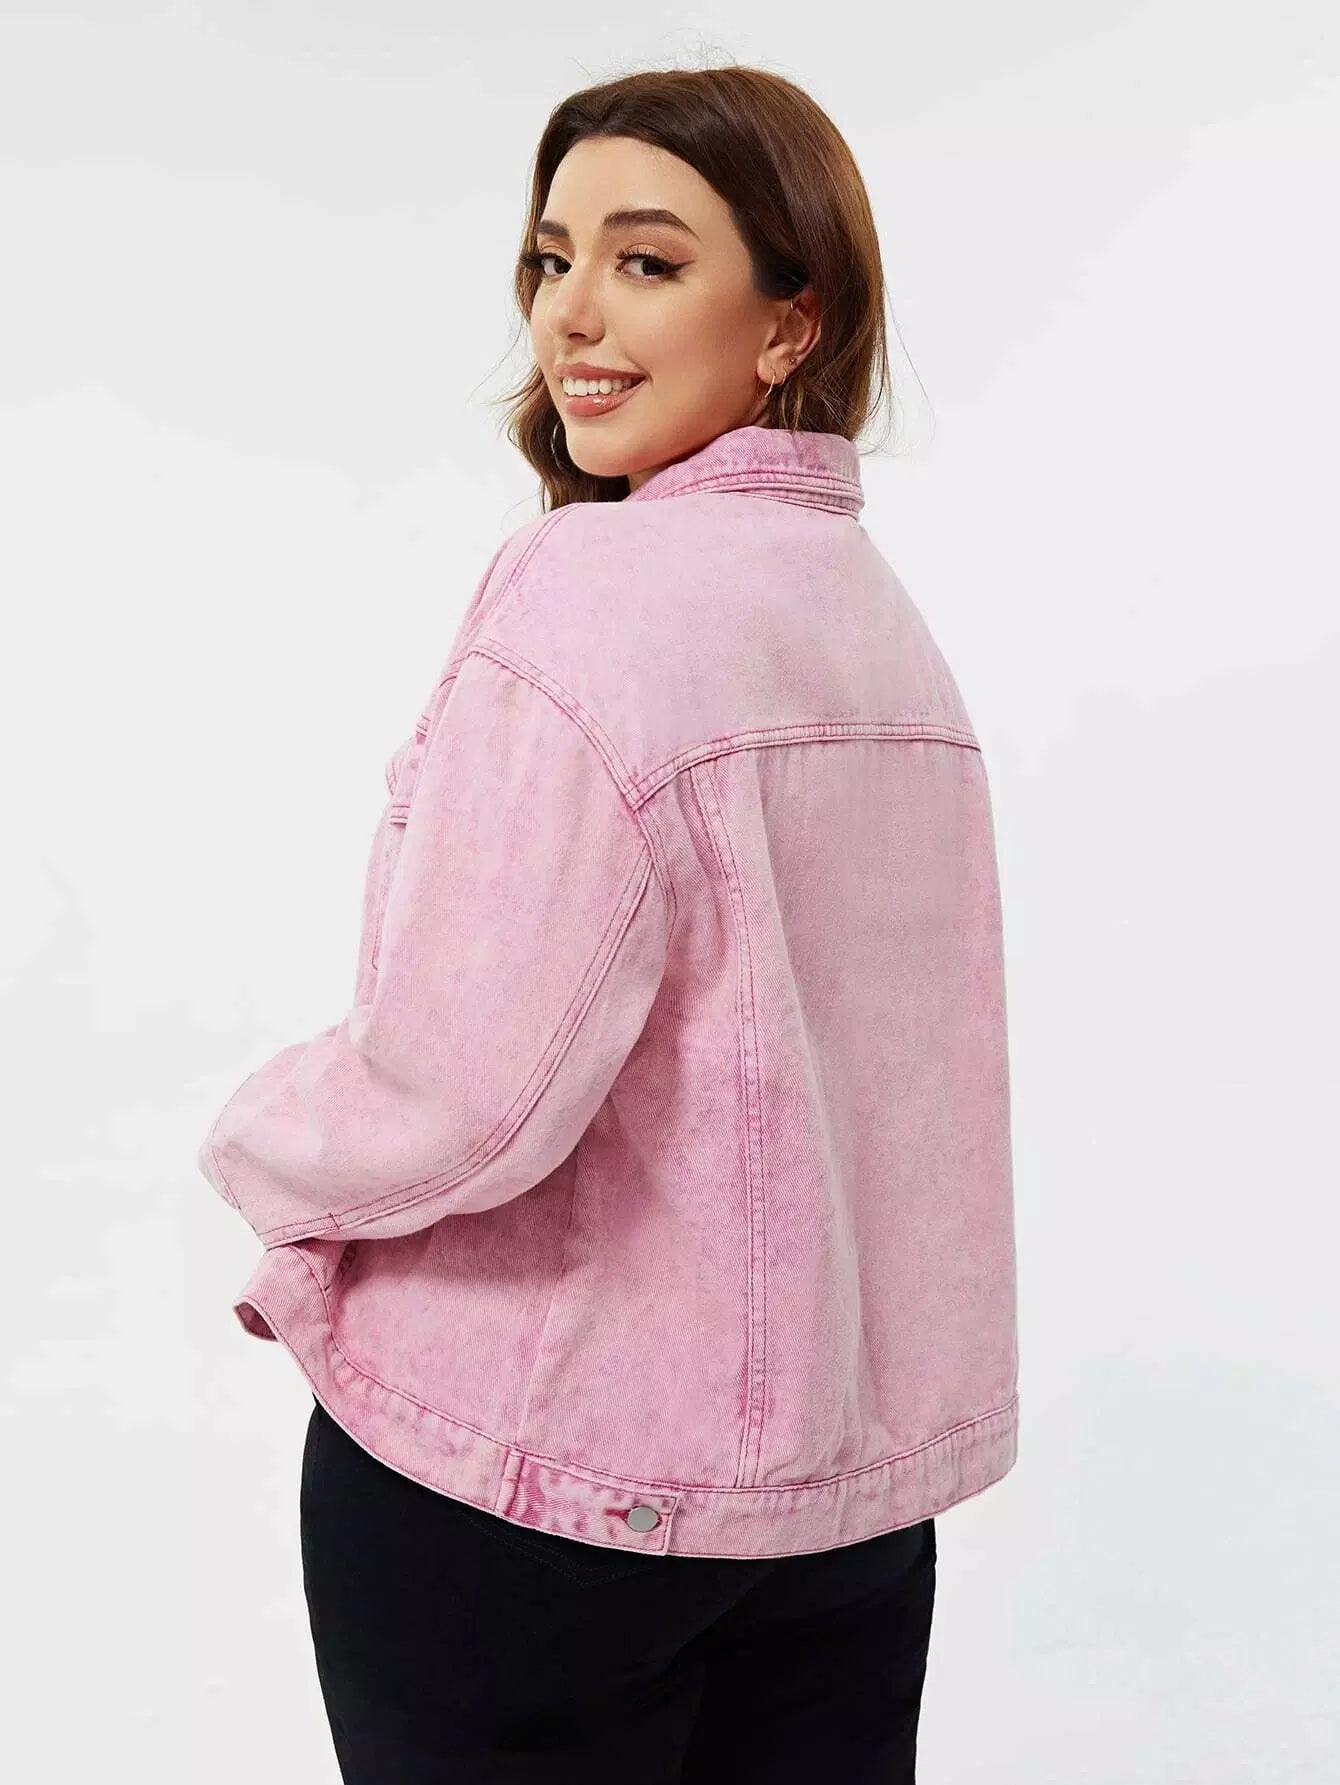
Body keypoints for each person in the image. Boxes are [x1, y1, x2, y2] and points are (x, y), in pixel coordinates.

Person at [197, 62, 1020, 1784]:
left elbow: (464, 1083)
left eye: (647, 262)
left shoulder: (587, 593)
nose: (572, 314)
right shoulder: (886, 632)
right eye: (551, 257)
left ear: (791, 322)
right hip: (837, 1522)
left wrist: (264, 1150)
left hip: (537, 1496)